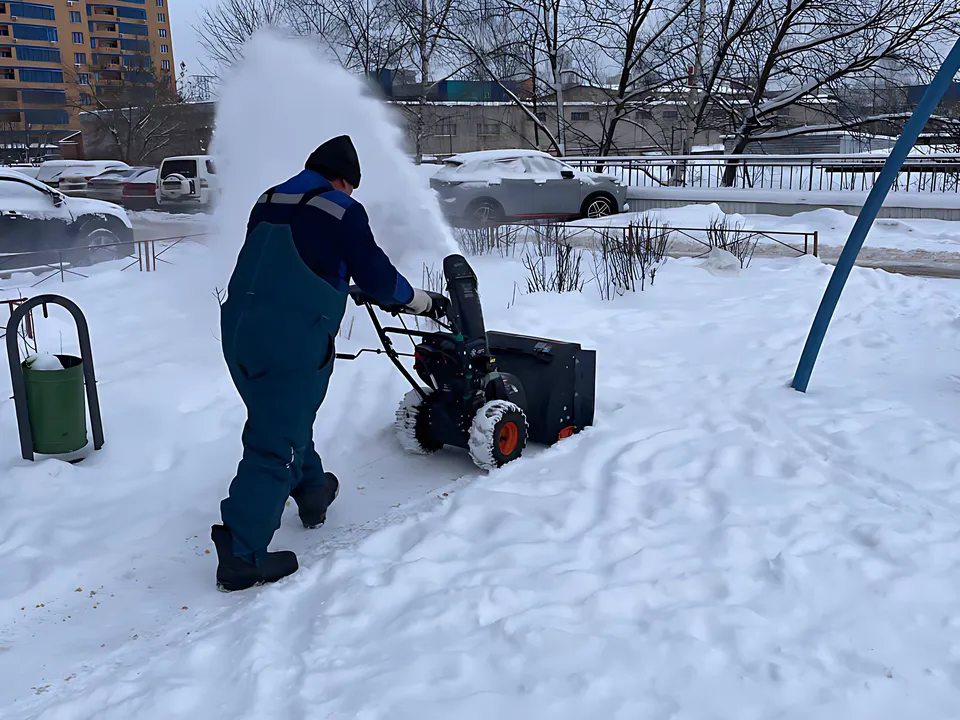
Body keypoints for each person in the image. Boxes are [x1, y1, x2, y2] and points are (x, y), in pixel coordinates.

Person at [211, 135, 437, 592]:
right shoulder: (340, 207)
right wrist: (419, 301)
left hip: (238, 329)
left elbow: (285, 260)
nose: (349, 194)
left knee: (284, 413)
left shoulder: (270, 197)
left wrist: (337, 281)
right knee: (274, 439)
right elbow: (376, 275)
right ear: (343, 179)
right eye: (350, 187)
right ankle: (242, 553)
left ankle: (312, 491)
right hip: (289, 338)